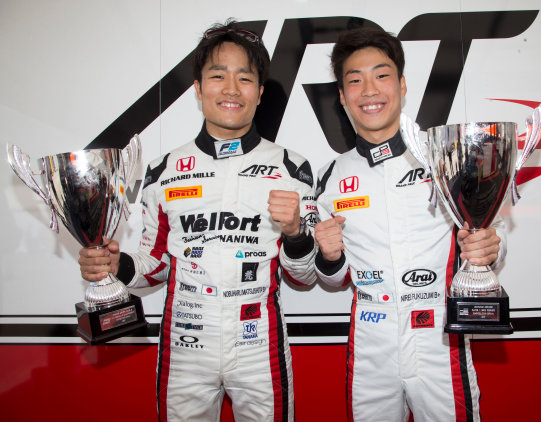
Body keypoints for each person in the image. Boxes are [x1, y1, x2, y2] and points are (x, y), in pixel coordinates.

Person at [78, 20, 316, 421]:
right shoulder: (163, 170)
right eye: (217, 76)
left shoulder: (291, 168)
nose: (230, 88)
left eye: (244, 78)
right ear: (198, 88)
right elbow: (155, 265)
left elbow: (304, 276)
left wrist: (295, 234)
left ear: (259, 93)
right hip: (185, 345)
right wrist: (114, 263)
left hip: (259, 343)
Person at [313, 27, 506, 422]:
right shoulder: (330, 176)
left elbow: (487, 237)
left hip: (439, 336)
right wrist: (329, 257)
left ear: (402, 85)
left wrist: (490, 249)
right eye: (355, 80)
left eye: (381, 76)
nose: (369, 90)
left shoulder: (447, 158)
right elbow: (332, 279)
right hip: (371, 338)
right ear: (342, 97)